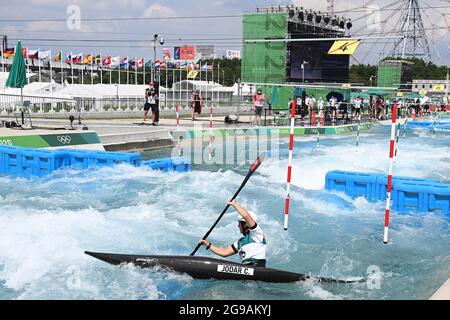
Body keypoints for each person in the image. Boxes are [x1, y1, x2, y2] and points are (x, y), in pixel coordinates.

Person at [199, 200, 267, 267]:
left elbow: (246, 216)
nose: (238, 226)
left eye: (239, 224)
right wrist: (207, 245)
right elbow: (224, 253)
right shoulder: (240, 242)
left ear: (245, 224)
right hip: (246, 268)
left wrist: (234, 204)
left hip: (258, 268)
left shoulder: (257, 234)